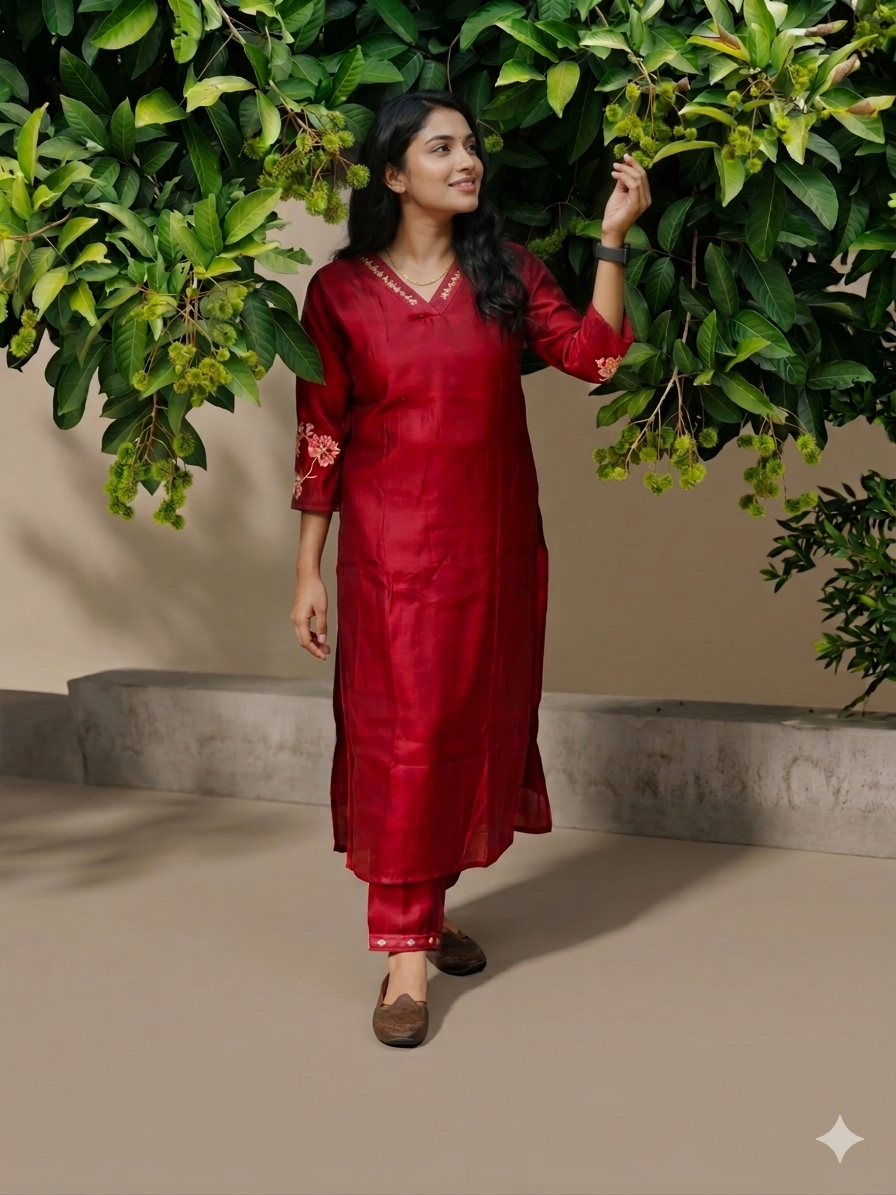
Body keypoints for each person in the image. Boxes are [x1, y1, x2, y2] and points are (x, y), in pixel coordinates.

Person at [289, 90, 651, 1047]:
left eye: (471, 146)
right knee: (401, 734)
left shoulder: (506, 274)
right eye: (441, 147)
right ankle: (405, 959)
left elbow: (596, 358)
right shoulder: (338, 295)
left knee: (460, 726)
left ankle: (430, 908)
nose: (468, 161)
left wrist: (613, 240)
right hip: (388, 557)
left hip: (491, 554)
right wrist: (308, 569)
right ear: (392, 173)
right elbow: (321, 434)